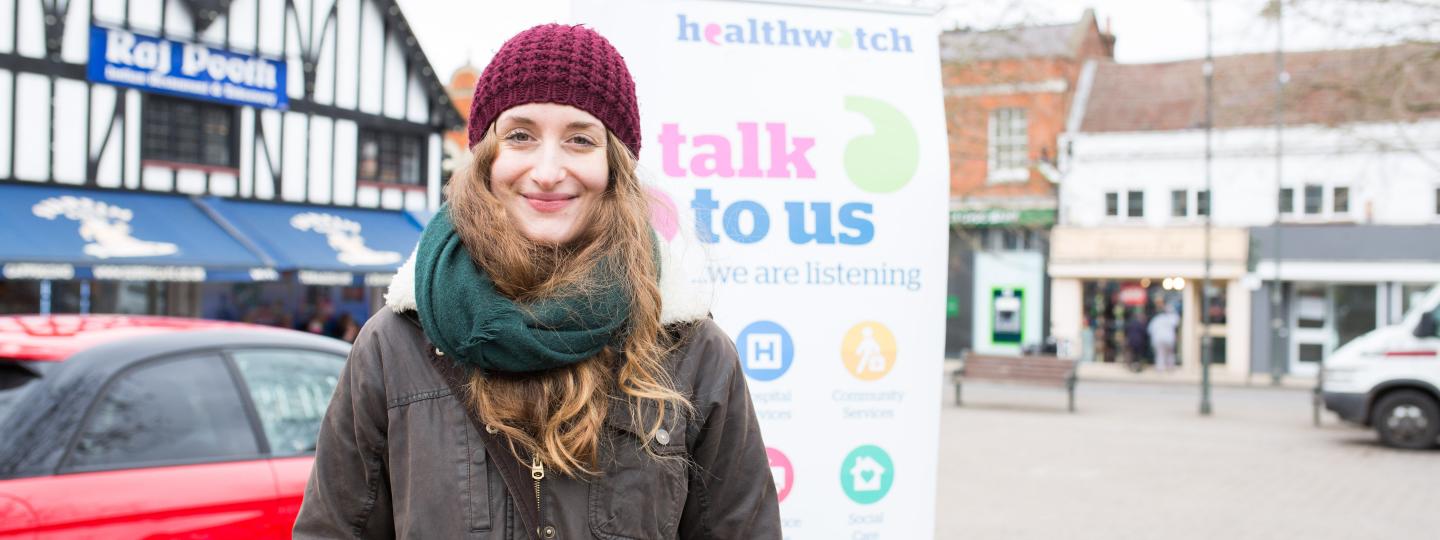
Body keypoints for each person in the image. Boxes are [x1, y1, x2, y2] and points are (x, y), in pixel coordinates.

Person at [293, 24, 781, 539]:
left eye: (580, 140)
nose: (548, 171)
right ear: (486, 158)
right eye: (521, 135)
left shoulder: (692, 353)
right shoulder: (395, 346)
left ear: (615, 167)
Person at [1148, 304, 1181, 373]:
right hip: (1168, 338)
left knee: (1160, 354)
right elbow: (1177, 322)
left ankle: (1161, 368)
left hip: (1158, 338)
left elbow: (1150, 329)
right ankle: (1170, 368)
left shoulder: (1157, 319)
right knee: (1169, 354)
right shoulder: (1172, 318)